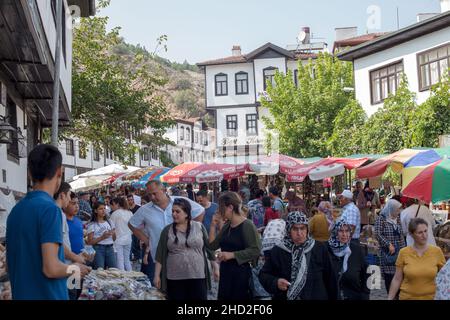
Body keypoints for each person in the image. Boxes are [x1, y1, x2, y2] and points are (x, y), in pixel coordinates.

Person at [6, 144, 89, 300]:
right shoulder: (51, 210)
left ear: (29, 172)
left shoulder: (16, 210)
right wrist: (76, 268)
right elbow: (51, 268)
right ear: (59, 172)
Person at [128, 180, 205, 282]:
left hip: (183, 253)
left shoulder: (180, 201)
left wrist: (191, 230)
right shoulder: (145, 209)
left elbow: (200, 211)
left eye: (155, 193)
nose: (152, 197)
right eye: (149, 195)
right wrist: (147, 240)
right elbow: (132, 224)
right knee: (161, 286)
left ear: (164, 190)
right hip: (159, 255)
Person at [258, 211, 338, 300]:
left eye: (302, 228)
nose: (299, 233)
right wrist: (276, 282)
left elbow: (331, 278)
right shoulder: (278, 251)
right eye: (295, 229)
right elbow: (264, 275)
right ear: (288, 230)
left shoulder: (319, 248)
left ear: (307, 229)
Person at [154, 198, 216, 300]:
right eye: (173, 211)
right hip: (175, 277)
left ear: (186, 213)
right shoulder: (167, 230)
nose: (174, 214)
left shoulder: (199, 227)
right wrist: (157, 275)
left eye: (177, 211)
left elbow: (209, 248)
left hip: (197, 274)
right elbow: (160, 254)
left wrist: (215, 267)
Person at [208, 192, 262, 300]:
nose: (219, 210)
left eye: (221, 207)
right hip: (226, 272)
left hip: (240, 275)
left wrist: (232, 255)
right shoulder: (227, 225)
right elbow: (212, 246)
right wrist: (213, 225)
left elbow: (256, 250)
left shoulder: (247, 225)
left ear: (230, 207)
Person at [388, 218, 446, 300]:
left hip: (431, 297)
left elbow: (445, 276)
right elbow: (397, 278)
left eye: (426, 231)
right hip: (407, 297)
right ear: (412, 234)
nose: (424, 235)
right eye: (420, 232)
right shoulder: (404, 252)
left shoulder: (436, 251)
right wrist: (390, 298)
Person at [328, 220, 370, 300]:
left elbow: (367, 272)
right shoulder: (327, 250)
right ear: (335, 232)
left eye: (347, 231)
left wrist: (365, 294)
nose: (344, 234)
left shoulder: (356, 249)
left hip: (354, 295)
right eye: (340, 231)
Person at [374, 199, 406, 294]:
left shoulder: (398, 219)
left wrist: (404, 250)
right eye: (396, 210)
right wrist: (388, 244)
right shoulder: (381, 218)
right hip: (388, 253)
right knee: (390, 277)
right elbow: (378, 234)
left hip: (399, 251)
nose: (398, 212)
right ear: (391, 209)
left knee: (399, 276)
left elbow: (400, 235)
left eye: (399, 210)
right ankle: (391, 295)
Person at [54, 182, 85, 265]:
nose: (68, 199)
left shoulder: (58, 213)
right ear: (62, 195)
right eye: (68, 195)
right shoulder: (57, 213)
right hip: (64, 264)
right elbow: (59, 243)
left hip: (67, 263)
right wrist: (76, 258)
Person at [87, 202, 117, 270]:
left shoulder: (110, 222)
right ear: (95, 211)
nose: (103, 210)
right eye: (101, 209)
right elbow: (89, 242)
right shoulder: (92, 225)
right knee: (99, 271)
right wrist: (102, 237)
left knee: (114, 270)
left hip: (110, 248)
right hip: (98, 249)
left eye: (104, 208)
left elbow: (114, 239)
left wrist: (113, 233)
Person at [110, 198, 133, 271]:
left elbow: (111, 228)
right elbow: (133, 227)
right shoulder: (130, 213)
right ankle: (130, 276)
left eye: (112, 205)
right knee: (127, 260)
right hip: (128, 239)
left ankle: (122, 277)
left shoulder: (115, 214)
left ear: (117, 204)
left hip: (118, 240)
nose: (111, 207)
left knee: (120, 260)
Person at [127, 194, 142, 261]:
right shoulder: (127, 209)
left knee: (137, 243)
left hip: (137, 228)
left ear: (133, 200)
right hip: (130, 229)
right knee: (132, 244)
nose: (130, 201)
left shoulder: (138, 207)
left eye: (131, 200)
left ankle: (138, 257)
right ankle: (136, 256)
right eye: (129, 200)